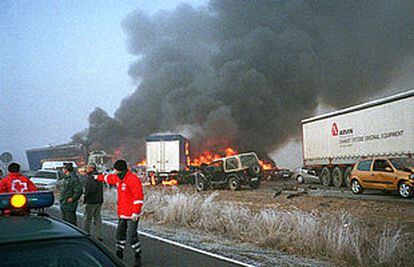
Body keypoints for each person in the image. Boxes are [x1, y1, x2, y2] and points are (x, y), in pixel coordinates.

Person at [95, 160, 144, 267]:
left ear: (122, 170)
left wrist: (136, 212)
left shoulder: (133, 180)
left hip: (132, 214)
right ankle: (119, 253)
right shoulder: (117, 177)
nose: (115, 172)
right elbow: (108, 178)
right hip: (122, 212)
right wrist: (96, 177)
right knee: (120, 234)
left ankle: (137, 255)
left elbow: (138, 198)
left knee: (132, 236)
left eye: (116, 170)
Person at [83, 163, 103, 241]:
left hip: (91, 201)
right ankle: (99, 235)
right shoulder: (99, 177)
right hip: (98, 201)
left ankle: (86, 234)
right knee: (97, 219)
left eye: (88, 168)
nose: (86, 169)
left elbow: (90, 189)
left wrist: (85, 197)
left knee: (87, 219)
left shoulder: (91, 178)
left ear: (92, 168)